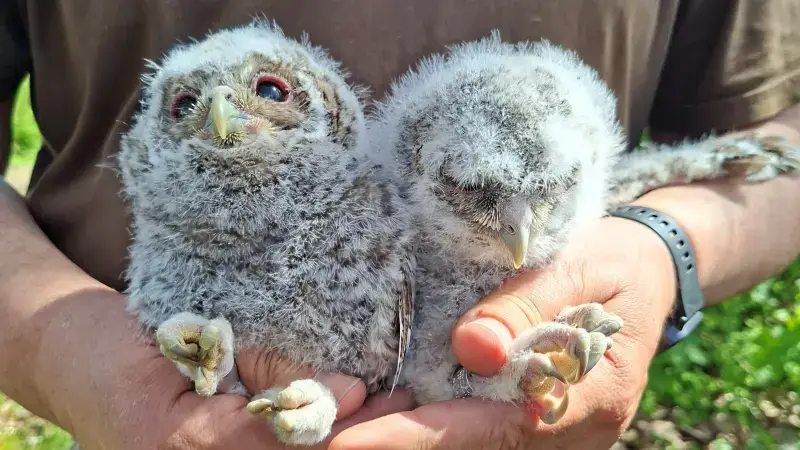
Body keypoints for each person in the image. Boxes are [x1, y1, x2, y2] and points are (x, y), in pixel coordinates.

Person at [1, 1, 799, 449]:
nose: (222, 113)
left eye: (270, 90)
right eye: (184, 105)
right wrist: (67, 351)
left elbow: (782, 146)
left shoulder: (378, 187)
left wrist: (660, 252)